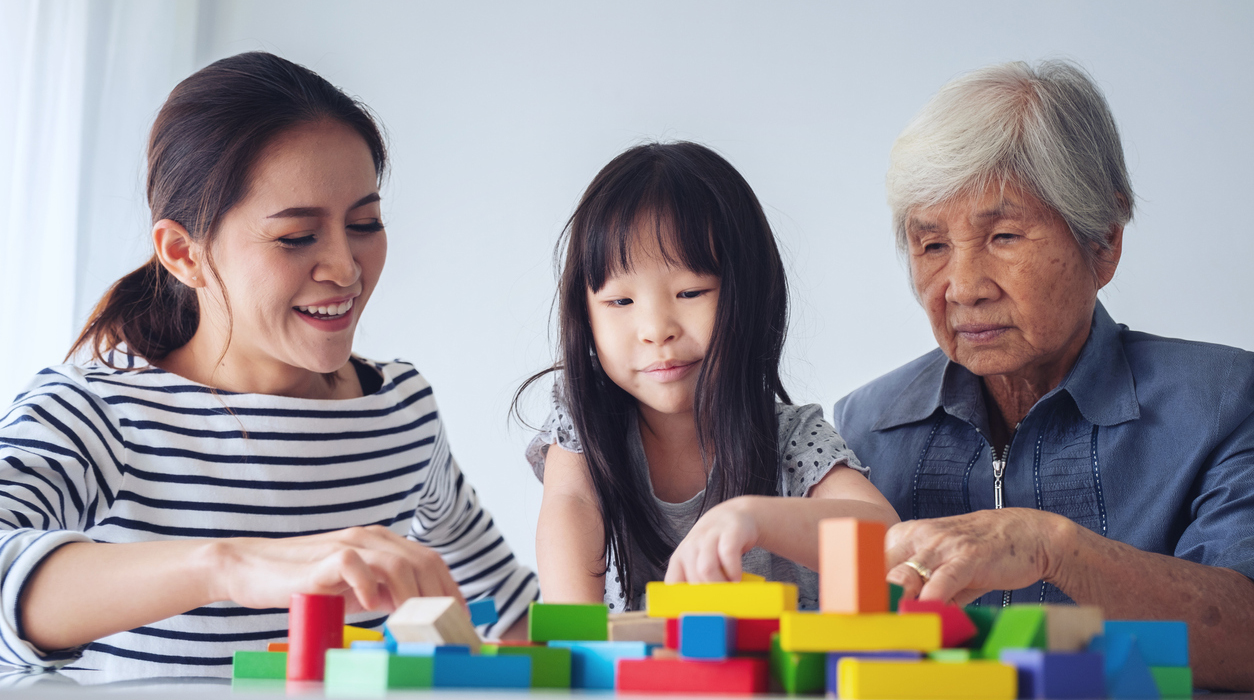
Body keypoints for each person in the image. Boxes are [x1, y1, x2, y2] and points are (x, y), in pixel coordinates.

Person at [0, 52, 537, 682]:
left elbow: (506, 611)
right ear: (184, 254)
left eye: (365, 222)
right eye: (295, 237)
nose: (344, 267)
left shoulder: (401, 410)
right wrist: (229, 566)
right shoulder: (96, 411)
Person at [831, 60, 1254, 691]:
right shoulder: (866, 426)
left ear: (1103, 242)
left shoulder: (1222, 402)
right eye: (932, 246)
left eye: (1003, 234)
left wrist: (1051, 546)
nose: (964, 288)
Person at [518, 142, 898, 611]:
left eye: (690, 291)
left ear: (750, 297)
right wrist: (574, 645)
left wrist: (754, 517)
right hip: (640, 683)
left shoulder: (792, 439)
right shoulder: (584, 429)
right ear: (586, 315)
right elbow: (569, 509)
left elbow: (888, 537)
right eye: (621, 302)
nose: (657, 330)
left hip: (778, 682)